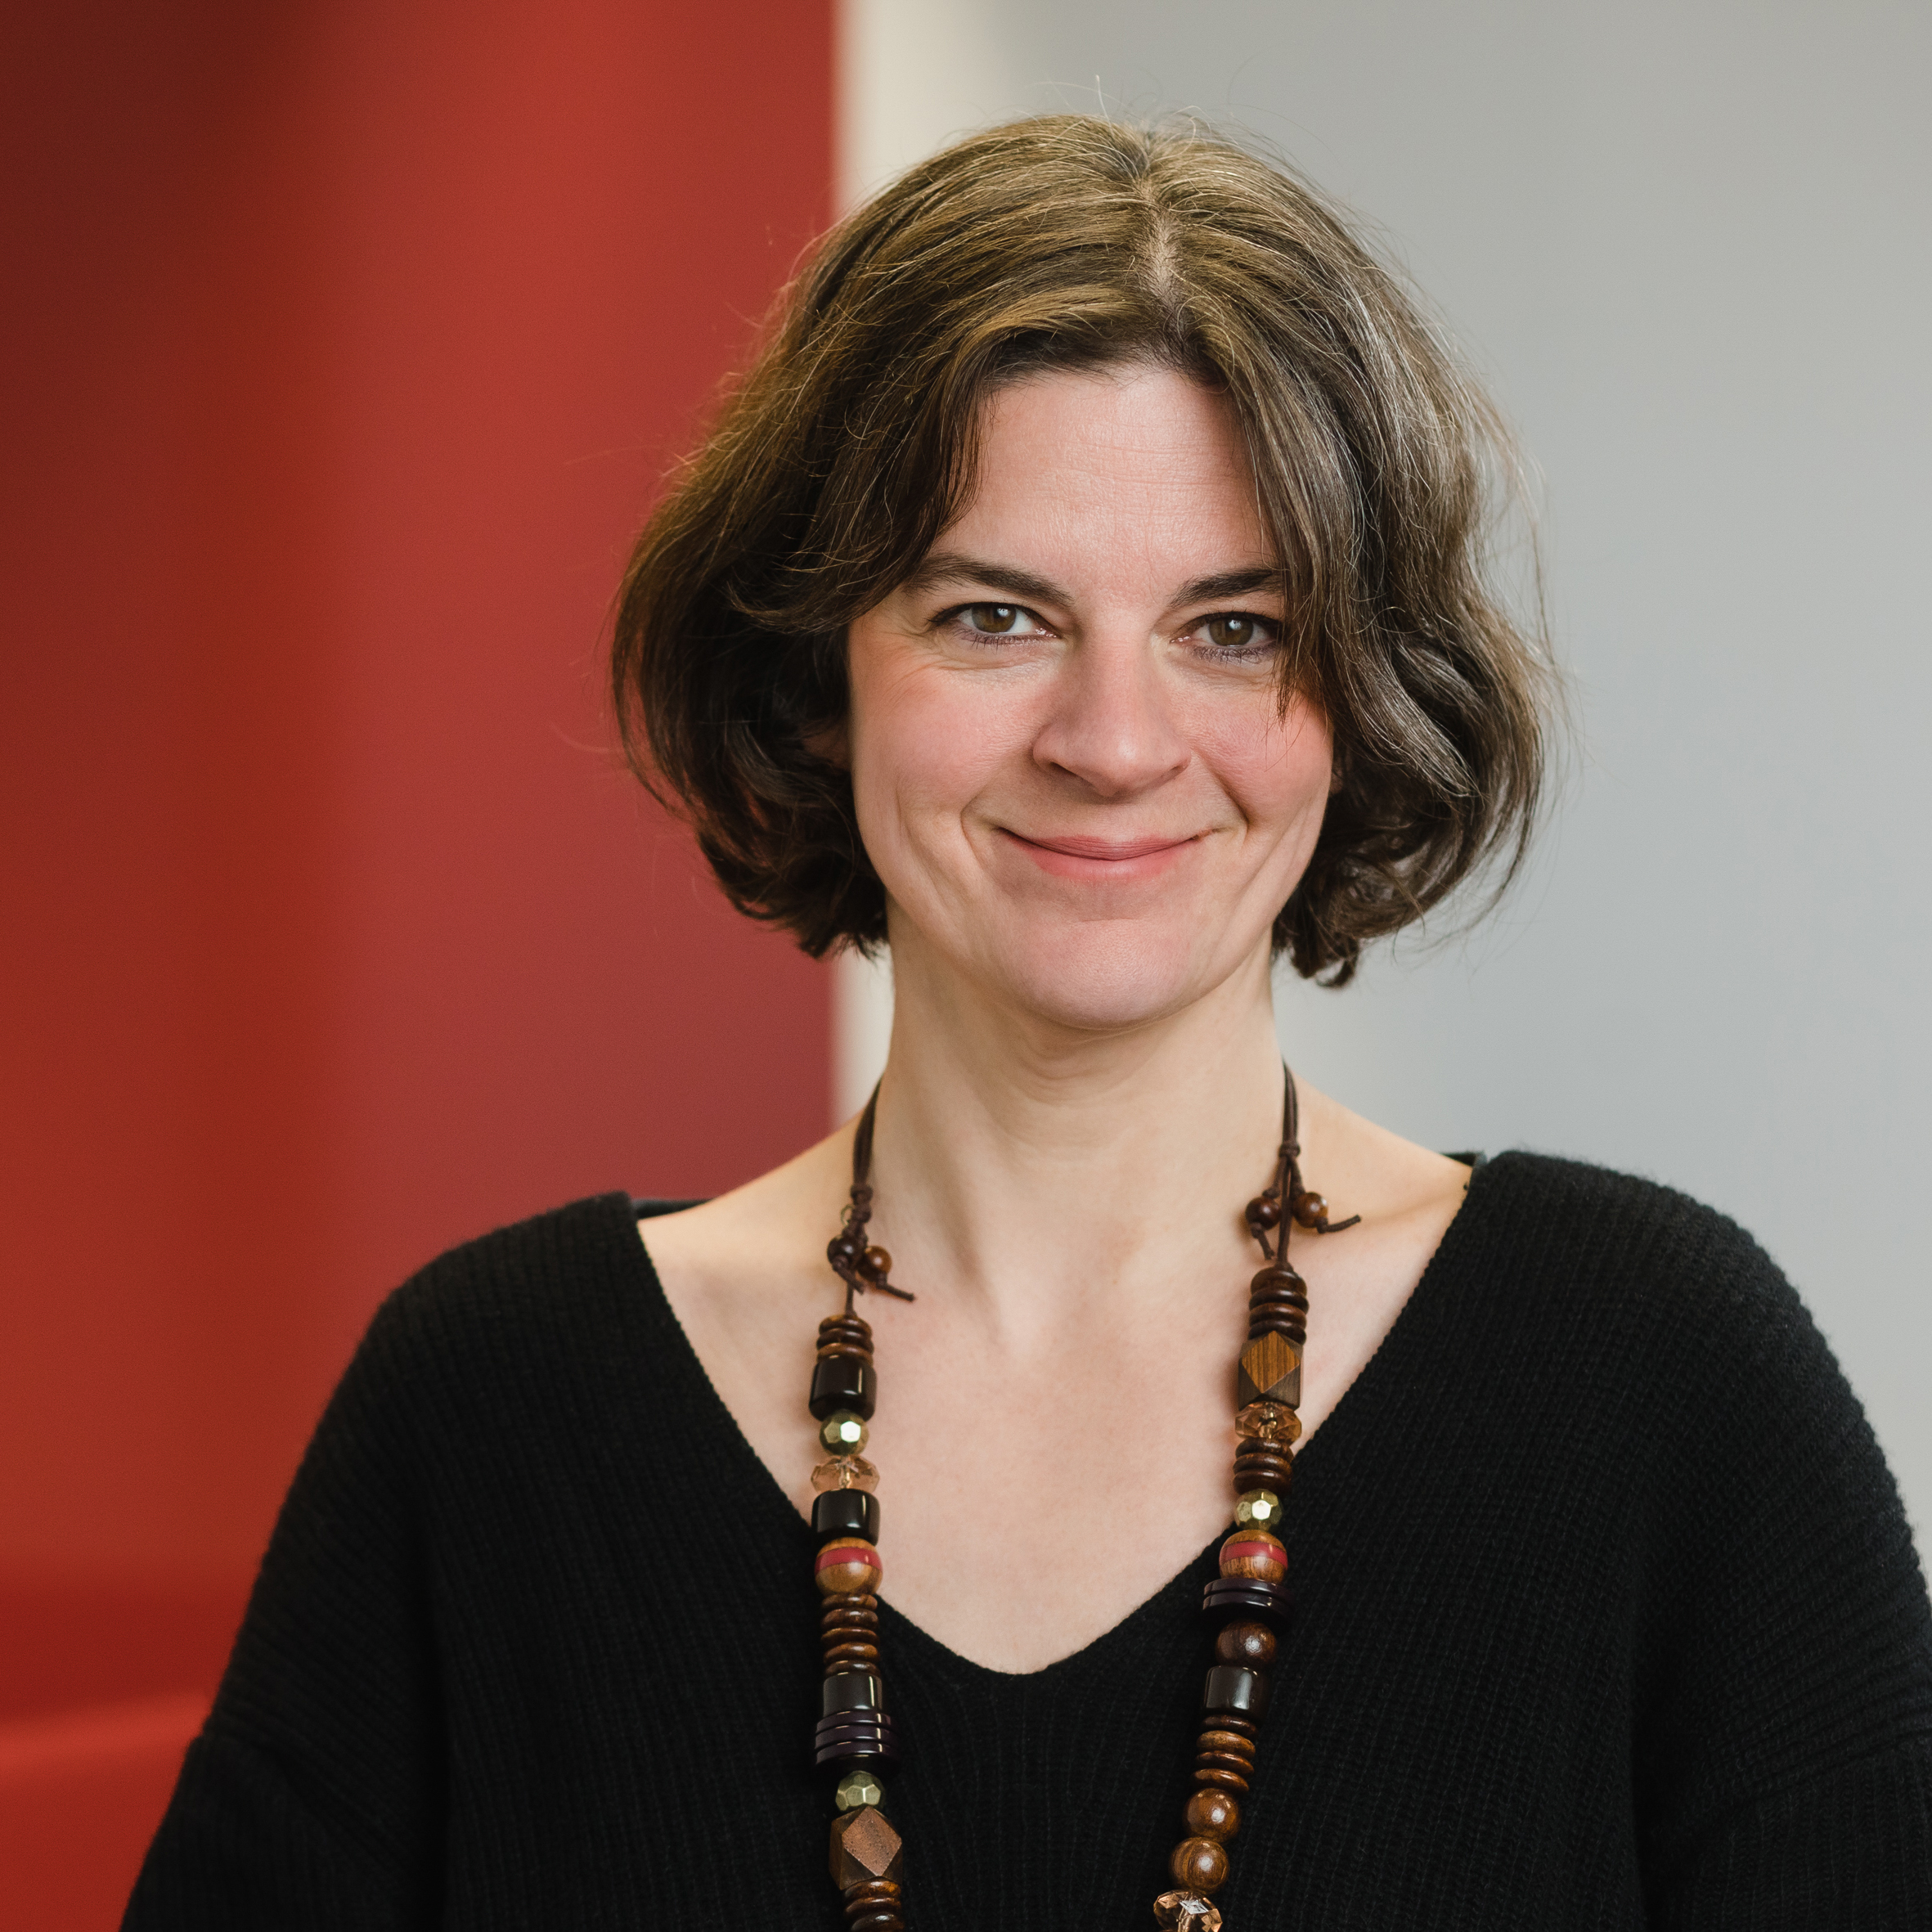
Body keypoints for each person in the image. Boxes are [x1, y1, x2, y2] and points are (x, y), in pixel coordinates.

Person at [127, 115, 1932, 1930]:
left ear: (1363, 694)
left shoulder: (1661, 1382)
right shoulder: (487, 1412)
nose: (1114, 742)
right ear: (815, 673)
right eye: (994, 616)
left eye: (1234, 627)